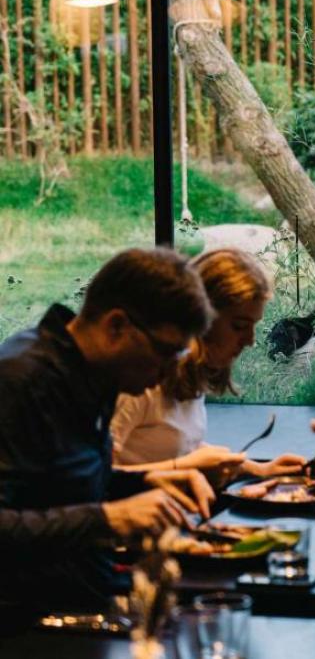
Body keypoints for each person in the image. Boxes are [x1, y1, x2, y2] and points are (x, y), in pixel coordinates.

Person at [0, 248, 219, 612]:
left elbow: (55, 488)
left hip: (88, 591)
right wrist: (109, 519)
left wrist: (147, 482)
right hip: (29, 619)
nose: (168, 374)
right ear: (117, 325)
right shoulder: (21, 382)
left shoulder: (92, 373)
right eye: (164, 353)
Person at [111, 249, 305, 481]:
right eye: (239, 326)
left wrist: (259, 470)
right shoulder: (140, 385)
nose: (251, 341)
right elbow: (96, 478)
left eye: (253, 326)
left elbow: (180, 446)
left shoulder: (191, 375)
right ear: (201, 318)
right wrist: (183, 467)